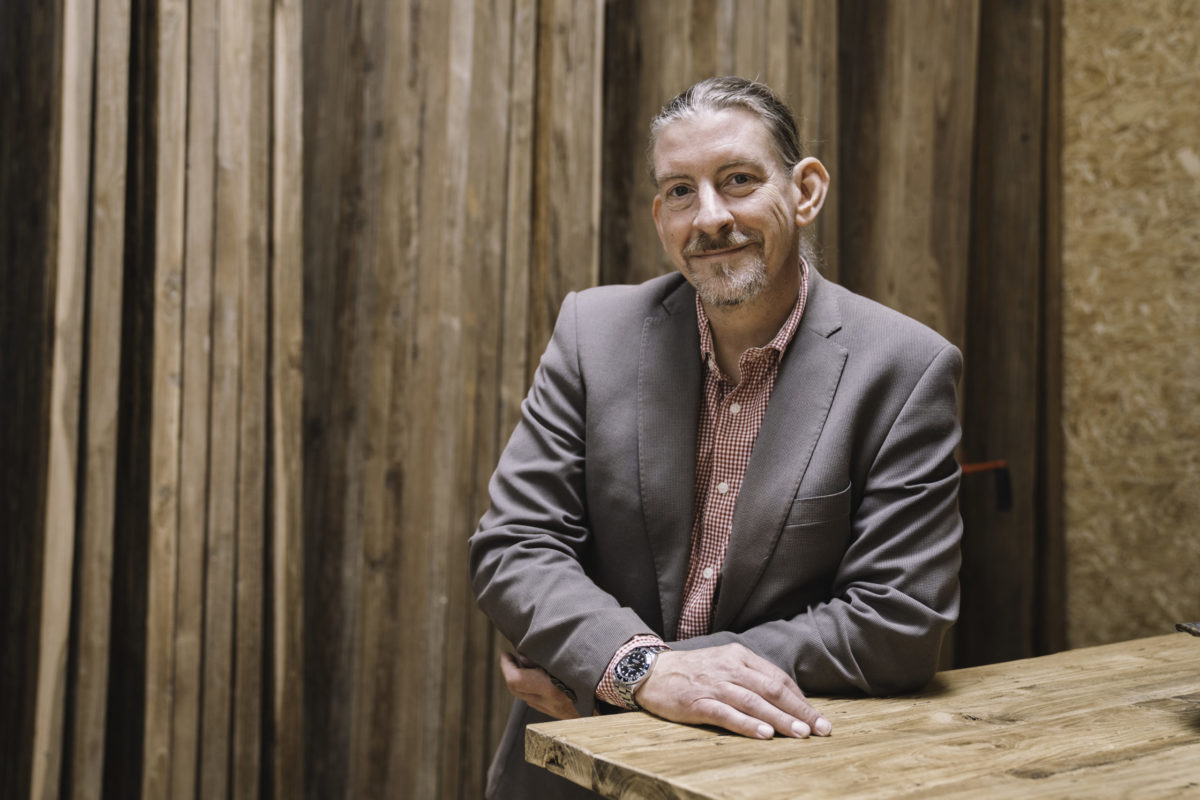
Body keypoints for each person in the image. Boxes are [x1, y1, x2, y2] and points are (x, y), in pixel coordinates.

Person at [469, 76, 963, 799]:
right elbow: (516, 544)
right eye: (680, 191)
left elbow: (896, 621)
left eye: (738, 180)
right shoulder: (591, 334)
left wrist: (618, 670)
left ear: (805, 191)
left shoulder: (906, 368)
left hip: (768, 774)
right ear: (660, 216)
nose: (709, 217)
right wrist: (644, 670)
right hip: (572, 775)